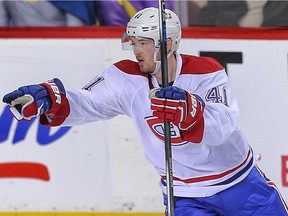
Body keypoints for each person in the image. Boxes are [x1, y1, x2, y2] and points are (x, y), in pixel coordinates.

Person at [2, 7, 288, 216]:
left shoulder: (205, 72)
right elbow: (88, 102)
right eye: (134, 42)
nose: (136, 51)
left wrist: (191, 112)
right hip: (185, 196)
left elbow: (223, 126)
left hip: (241, 185)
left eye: (144, 43)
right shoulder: (125, 77)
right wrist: (52, 101)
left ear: (167, 44)